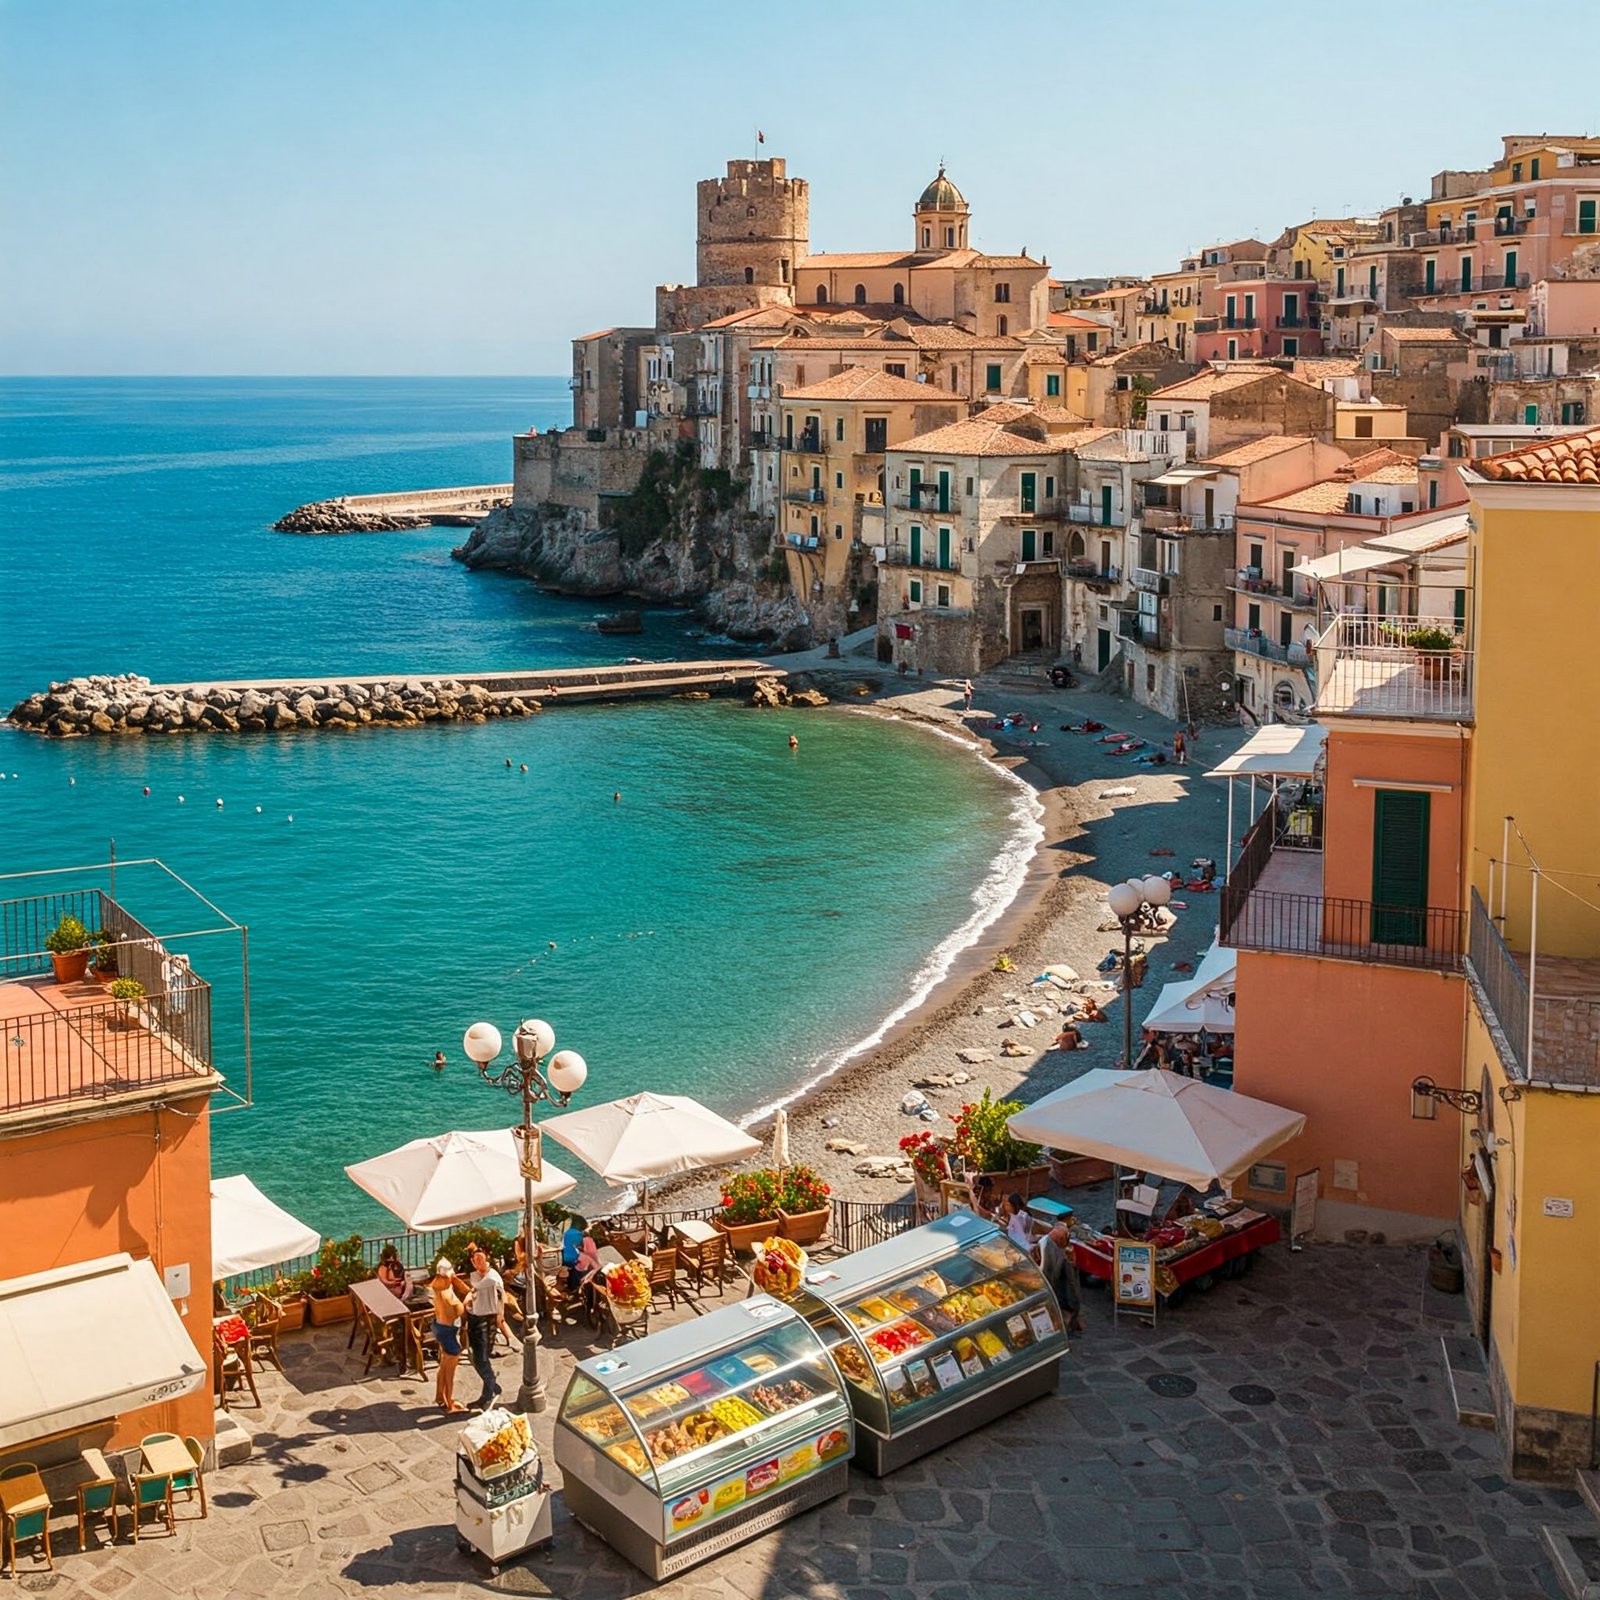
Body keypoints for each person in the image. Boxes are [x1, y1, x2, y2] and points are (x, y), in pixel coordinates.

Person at [465, 1247, 510, 1410]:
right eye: (475, 1260)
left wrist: (500, 1314)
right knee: (477, 1358)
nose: (478, 1262)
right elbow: (475, 1290)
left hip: (487, 1319)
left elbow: (498, 1294)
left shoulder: (492, 1277)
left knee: (481, 1359)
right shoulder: (475, 1276)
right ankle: (492, 1386)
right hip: (475, 1317)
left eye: (481, 1259)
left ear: (487, 1259)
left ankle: (488, 1392)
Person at [428, 1259, 468, 1414]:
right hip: (448, 1330)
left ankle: (439, 1396)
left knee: (443, 1364)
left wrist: (456, 1281)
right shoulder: (446, 1294)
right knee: (449, 1371)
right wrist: (465, 1303)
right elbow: (457, 1312)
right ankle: (448, 1403)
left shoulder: (437, 1284)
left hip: (439, 1326)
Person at [1039, 1221, 1086, 1336]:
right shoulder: (1047, 1245)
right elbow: (1046, 1268)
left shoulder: (1060, 1247)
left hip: (1063, 1281)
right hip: (1056, 1283)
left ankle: (1072, 1325)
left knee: (1071, 1302)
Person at [1001, 1192, 1035, 1257]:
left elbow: (1019, 1233)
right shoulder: (1016, 1215)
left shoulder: (1022, 1216)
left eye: (1009, 1205)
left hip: (1021, 1245)